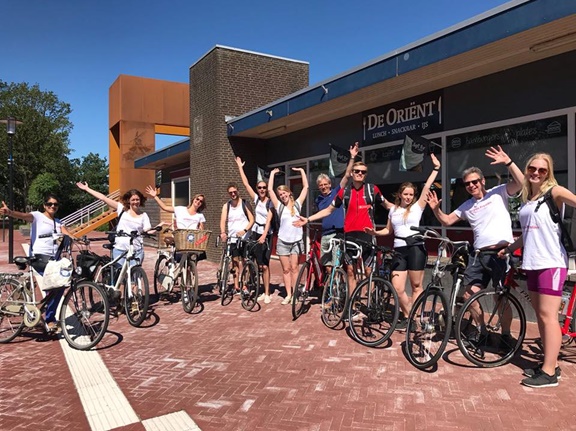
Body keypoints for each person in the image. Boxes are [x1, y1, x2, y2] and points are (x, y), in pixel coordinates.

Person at [426, 146, 524, 325]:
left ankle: (506, 336)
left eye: (475, 181)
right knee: (469, 296)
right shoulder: (467, 205)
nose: (471, 185)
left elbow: (522, 182)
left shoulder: (499, 192)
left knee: (500, 298)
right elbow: (447, 221)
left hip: (501, 253)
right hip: (478, 256)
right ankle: (481, 331)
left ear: (483, 181)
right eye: (467, 184)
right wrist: (435, 210)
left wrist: (509, 163)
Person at [501, 153, 576, 388]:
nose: (536, 173)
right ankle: (549, 363)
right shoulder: (529, 198)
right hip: (532, 262)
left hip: (551, 262)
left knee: (548, 317)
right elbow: (528, 233)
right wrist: (510, 248)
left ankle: (549, 373)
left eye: (542, 170)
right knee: (542, 318)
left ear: (548, 173)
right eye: (532, 168)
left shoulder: (555, 192)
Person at [295, 159, 392, 298]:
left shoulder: (372, 189)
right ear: (352, 173)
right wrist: (308, 219)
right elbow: (328, 210)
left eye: (363, 172)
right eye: (357, 171)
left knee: (369, 271)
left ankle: (372, 302)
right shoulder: (344, 192)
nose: (360, 174)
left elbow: (388, 206)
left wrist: (405, 210)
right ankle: (351, 304)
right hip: (350, 236)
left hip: (367, 235)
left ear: (366, 174)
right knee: (351, 271)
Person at [364, 153, 441, 329]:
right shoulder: (393, 210)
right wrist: (374, 232)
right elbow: (388, 230)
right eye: (405, 194)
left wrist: (436, 168)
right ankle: (408, 315)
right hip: (398, 250)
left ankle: (412, 319)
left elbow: (427, 186)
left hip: (415, 247)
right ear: (400, 194)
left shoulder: (417, 207)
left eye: (411, 194)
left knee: (416, 285)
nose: (408, 197)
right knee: (397, 288)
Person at [1, 195, 75, 333]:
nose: (52, 206)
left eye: (55, 204)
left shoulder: (58, 222)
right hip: (39, 258)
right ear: (44, 205)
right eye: (49, 204)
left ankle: (45, 312)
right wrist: (10, 212)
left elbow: (68, 234)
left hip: (54, 260)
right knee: (57, 284)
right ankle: (50, 319)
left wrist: (79, 240)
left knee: (59, 285)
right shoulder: (37, 216)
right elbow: (24, 216)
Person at [76, 182, 158, 279]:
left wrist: (157, 228)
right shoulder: (122, 209)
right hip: (120, 249)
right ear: (129, 201)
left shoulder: (144, 216)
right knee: (118, 278)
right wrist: (87, 189)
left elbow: (147, 230)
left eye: (137, 199)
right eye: (133, 200)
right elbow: (103, 198)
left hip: (136, 250)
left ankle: (134, 294)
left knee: (135, 278)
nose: (135, 202)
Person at [315, 143, 358, 277]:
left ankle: (340, 291)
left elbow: (346, 176)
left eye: (325, 184)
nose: (323, 187)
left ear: (330, 184)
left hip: (337, 234)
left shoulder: (336, 192)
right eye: (321, 185)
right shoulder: (318, 199)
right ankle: (333, 289)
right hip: (325, 235)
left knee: (336, 265)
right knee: (327, 266)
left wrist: (352, 158)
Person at [235, 157, 274, 304]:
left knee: (265, 264)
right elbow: (245, 184)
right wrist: (240, 167)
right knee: (257, 263)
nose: (262, 190)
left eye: (264, 188)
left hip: (266, 233)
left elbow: (269, 220)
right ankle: (259, 288)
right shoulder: (257, 199)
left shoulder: (270, 202)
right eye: (260, 188)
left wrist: (264, 235)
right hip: (256, 232)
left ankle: (267, 292)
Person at [268, 167, 309, 305]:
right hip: (283, 242)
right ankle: (288, 295)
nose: (282, 196)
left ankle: (296, 293)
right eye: (280, 194)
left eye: (284, 193)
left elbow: (306, 187)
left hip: (296, 241)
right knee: (286, 269)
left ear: (289, 193)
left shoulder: (297, 204)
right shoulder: (279, 207)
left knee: (295, 268)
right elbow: (269, 191)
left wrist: (302, 171)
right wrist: (272, 174)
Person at [145, 186, 207, 260]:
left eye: (201, 201)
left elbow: (202, 231)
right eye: (197, 199)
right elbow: (165, 207)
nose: (198, 201)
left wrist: (200, 238)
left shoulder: (200, 215)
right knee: (179, 262)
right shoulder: (180, 209)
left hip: (191, 242)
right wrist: (155, 196)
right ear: (193, 199)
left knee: (192, 263)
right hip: (180, 239)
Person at [219, 183, 255, 293]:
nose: (233, 194)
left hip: (244, 238)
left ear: (238, 191)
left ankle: (245, 285)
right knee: (234, 262)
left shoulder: (245, 203)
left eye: (234, 192)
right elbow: (222, 220)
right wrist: (223, 232)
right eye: (230, 192)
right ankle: (236, 286)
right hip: (233, 238)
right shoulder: (227, 206)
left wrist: (244, 230)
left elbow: (252, 220)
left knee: (245, 261)